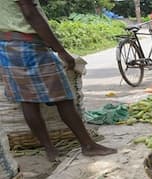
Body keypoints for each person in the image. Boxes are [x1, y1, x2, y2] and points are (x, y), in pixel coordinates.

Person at [0, 0, 116, 161]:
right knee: (63, 97)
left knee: (27, 101)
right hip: (29, 46)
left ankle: (50, 149)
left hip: (7, 46)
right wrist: (61, 51)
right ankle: (88, 145)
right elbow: (30, 13)